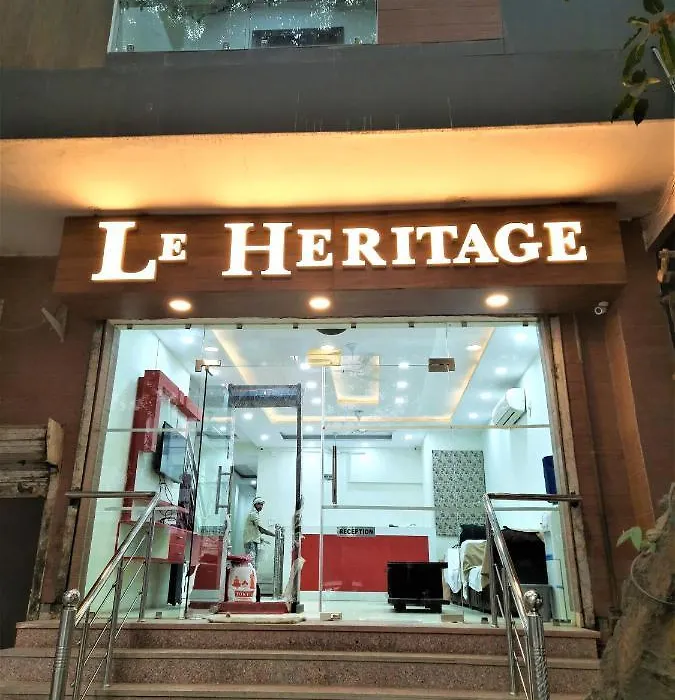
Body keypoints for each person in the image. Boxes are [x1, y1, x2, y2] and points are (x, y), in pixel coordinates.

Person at [243, 496, 274, 570]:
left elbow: (255, 530)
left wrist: (261, 539)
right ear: (255, 504)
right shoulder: (253, 514)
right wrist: (274, 535)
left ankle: (253, 576)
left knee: (253, 563)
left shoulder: (255, 514)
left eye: (262, 505)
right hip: (251, 542)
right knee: (251, 563)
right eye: (259, 504)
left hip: (252, 542)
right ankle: (251, 576)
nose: (261, 506)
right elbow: (261, 529)